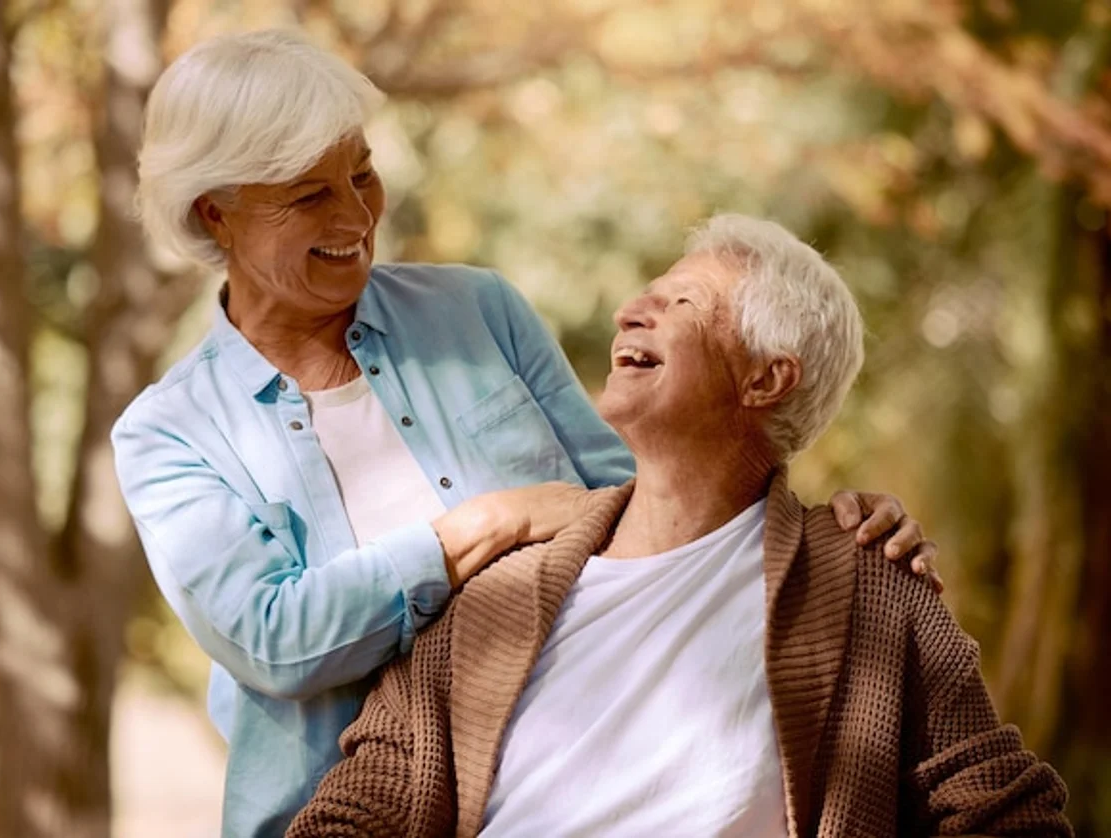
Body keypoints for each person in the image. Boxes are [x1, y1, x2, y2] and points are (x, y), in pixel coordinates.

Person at [112, 30, 940, 837]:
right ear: (216, 214)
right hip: (340, 809)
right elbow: (276, 643)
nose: (357, 214)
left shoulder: (476, 310)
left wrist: (827, 534)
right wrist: (483, 527)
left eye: (363, 173)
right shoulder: (168, 434)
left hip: (564, 783)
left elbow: (646, 502)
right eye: (310, 195)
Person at [285, 214, 1072, 838]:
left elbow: (999, 808)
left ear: (765, 378)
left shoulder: (867, 586)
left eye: (683, 303)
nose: (630, 311)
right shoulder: (502, 588)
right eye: (646, 297)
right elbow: (369, 796)